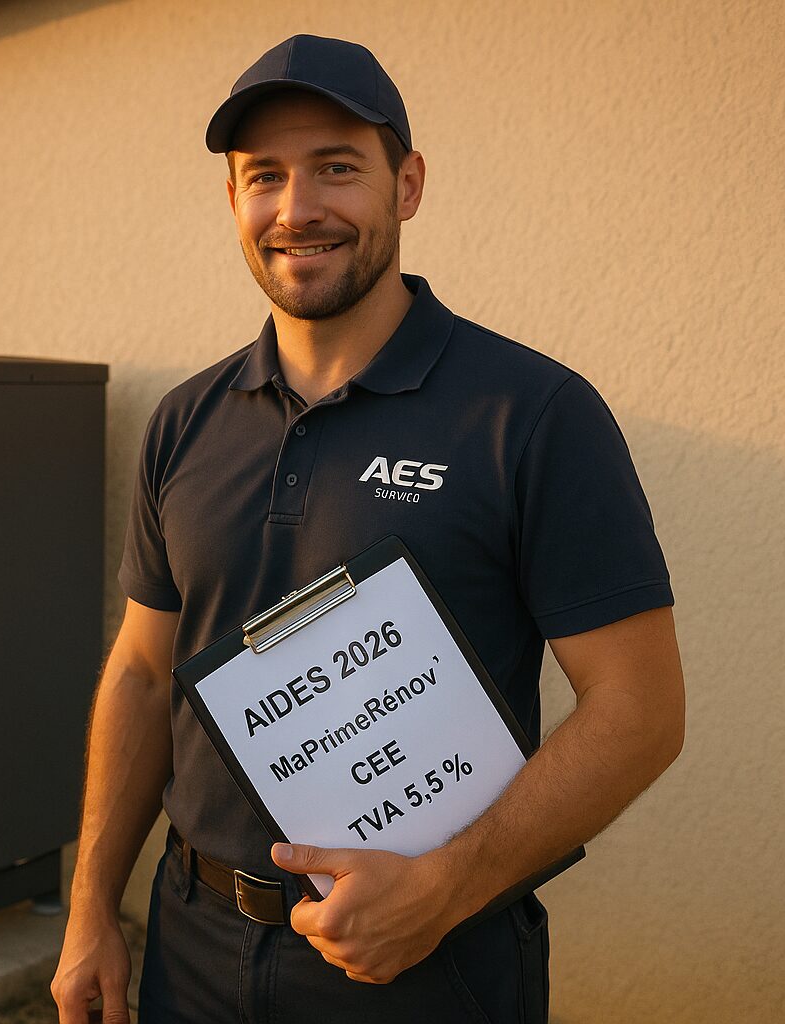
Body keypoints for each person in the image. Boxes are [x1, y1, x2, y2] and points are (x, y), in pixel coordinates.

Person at [51, 33, 685, 1024]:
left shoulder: (533, 414)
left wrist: (446, 887)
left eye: (337, 168)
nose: (298, 208)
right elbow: (141, 672)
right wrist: (91, 908)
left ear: (408, 184)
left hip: (429, 964)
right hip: (194, 948)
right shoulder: (184, 421)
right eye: (266, 177)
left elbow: (640, 710)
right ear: (234, 202)